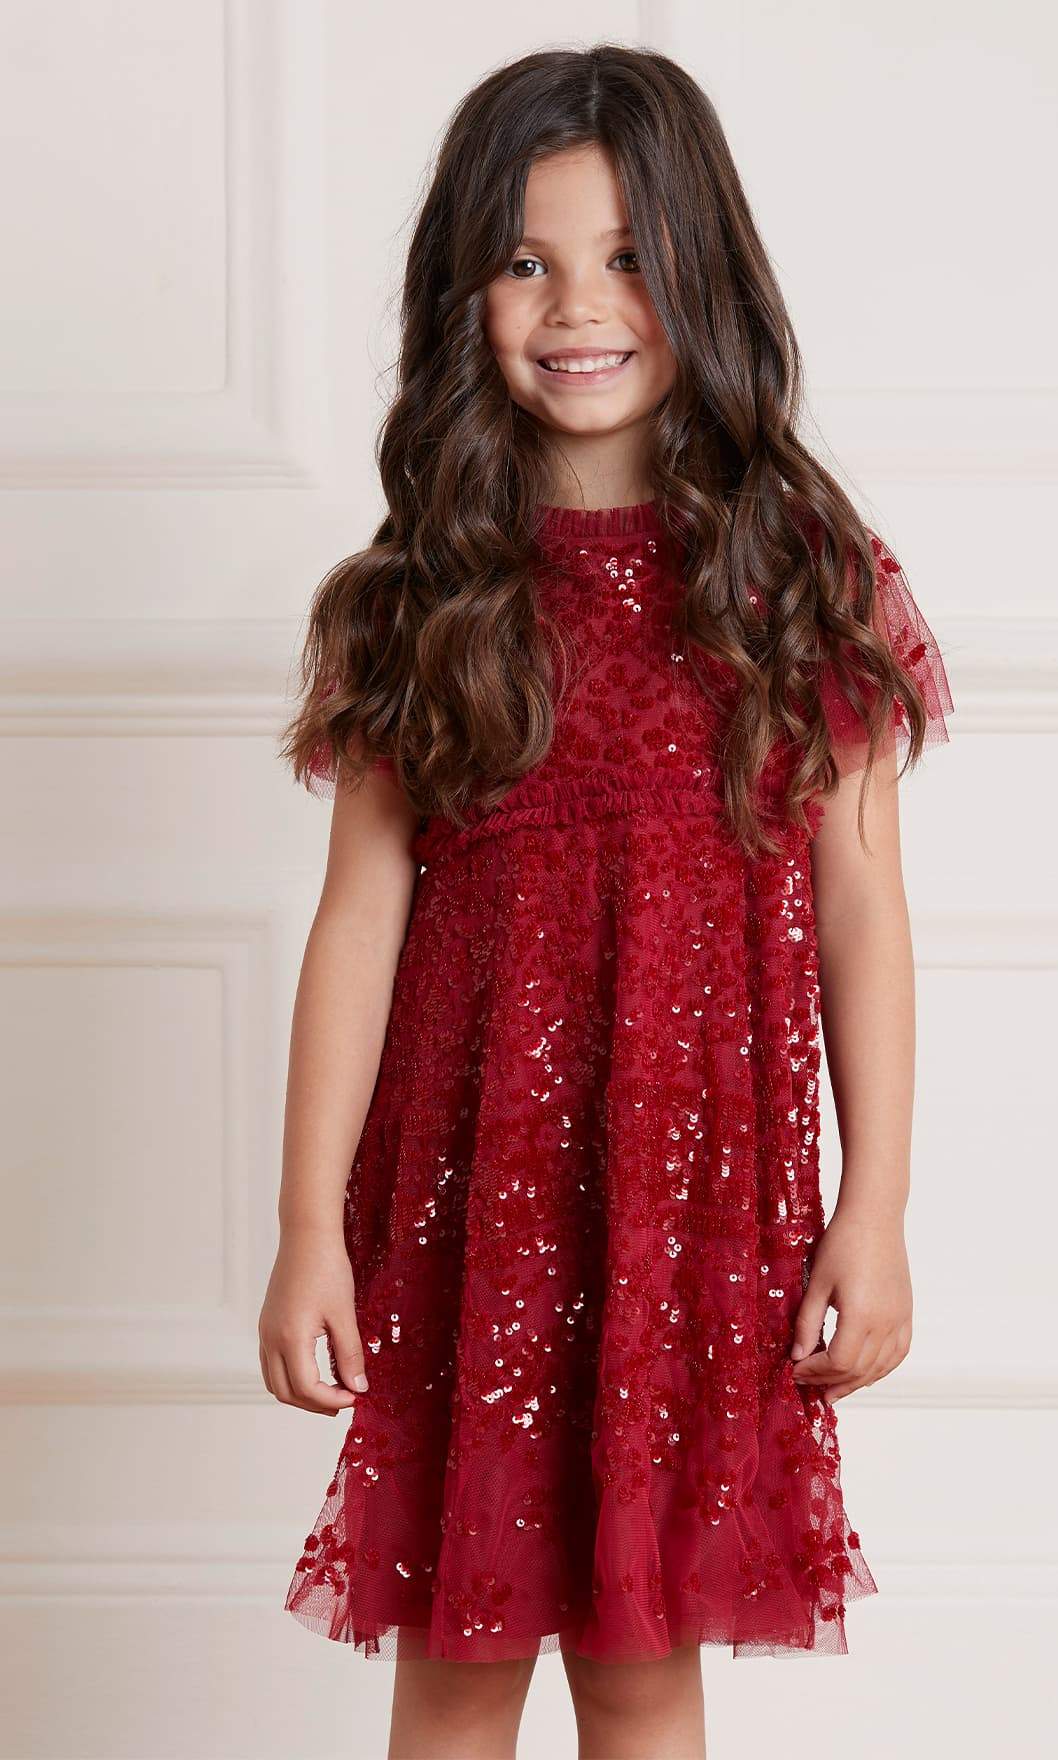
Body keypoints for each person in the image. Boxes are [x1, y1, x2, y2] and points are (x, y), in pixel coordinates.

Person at [259, 41, 954, 1760]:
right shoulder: (422, 598)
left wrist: (873, 1208)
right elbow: (358, 925)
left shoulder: (798, 578)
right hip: (470, 1220)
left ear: (703, 274)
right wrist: (305, 1230)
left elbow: (862, 913)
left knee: (646, 1672)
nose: (579, 306)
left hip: (694, 1217)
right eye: (526, 261)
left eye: (628, 256)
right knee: (457, 1665)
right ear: (466, 295)